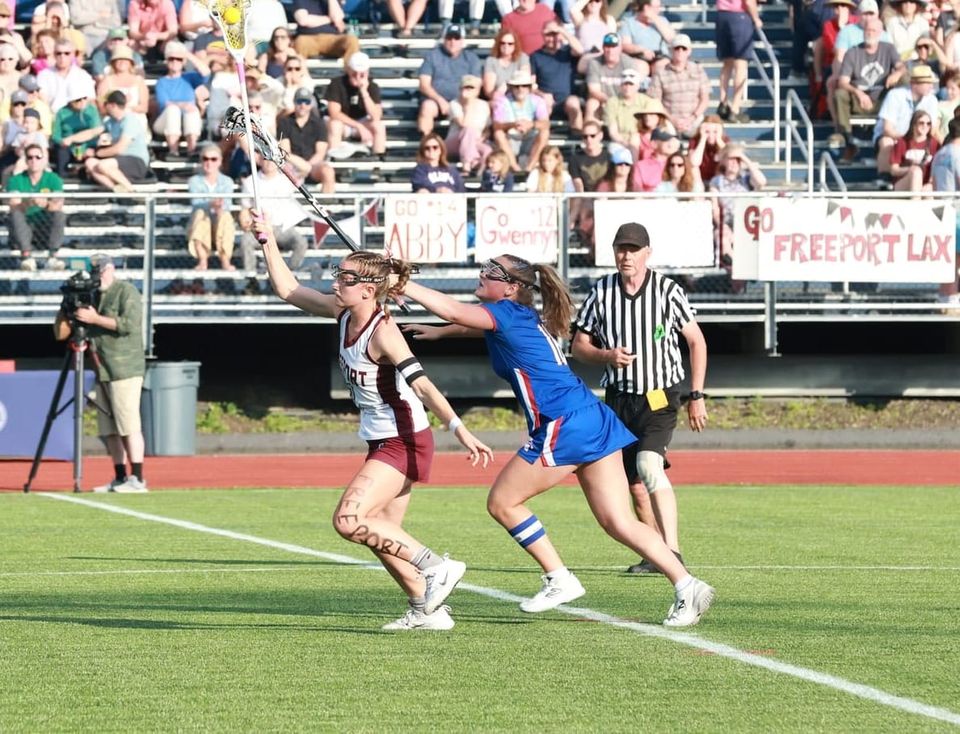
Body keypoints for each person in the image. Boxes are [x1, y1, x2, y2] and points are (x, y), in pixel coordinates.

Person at [399, 254, 715, 626]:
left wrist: (402, 285)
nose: (482, 275)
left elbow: (454, 310)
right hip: (590, 416)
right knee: (618, 521)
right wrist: (439, 331)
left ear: (511, 288)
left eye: (492, 272)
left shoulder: (504, 315)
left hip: (564, 422)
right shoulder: (517, 317)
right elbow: (469, 323)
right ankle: (687, 585)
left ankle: (558, 578)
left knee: (503, 502)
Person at [252, 214, 493, 631]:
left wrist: (461, 430)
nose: (335, 282)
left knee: (348, 521)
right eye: (337, 273)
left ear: (368, 289)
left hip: (404, 440)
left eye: (345, 277)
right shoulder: (342, 313)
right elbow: (288, 289)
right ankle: (425, 609)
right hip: (382, 439)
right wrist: (268, 241)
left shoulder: (384, 333)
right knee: (381, 532)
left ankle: (438, 567)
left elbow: (423, 386)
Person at [572, 221, 707, 574]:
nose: (626, 255)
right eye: (621, 248)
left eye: (633, 249)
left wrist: (697, 395)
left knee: (649, 464)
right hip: (619, 397)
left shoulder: (667, 291)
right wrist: (606, 356)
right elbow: (578, 346)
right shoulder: (602, 292)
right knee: (633, 483)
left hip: (661, 395)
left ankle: (673, 551)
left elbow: (697, 341)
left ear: (648, 252)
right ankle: (654, 552)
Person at [54, 253, 148, 494]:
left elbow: (129, 324)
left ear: (111, 269)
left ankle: (137, 478)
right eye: (95, 273)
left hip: (124, 368)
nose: (99, 277)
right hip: (101, 368)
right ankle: (120, 476)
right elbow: (61, 334)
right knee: (110, 429)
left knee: (128, 424)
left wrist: (95, 318)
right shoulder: (93, 295)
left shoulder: (126, 291)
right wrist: (68, 307)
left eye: (101, 271)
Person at [835, 17, 903, 162]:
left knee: (904, 80)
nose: (870, 33)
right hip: (859, 100)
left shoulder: (888, 48)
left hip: (882, 100)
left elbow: (901, 67)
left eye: (873, 30)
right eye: (867, 30)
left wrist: (897, 74)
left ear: (880, 32)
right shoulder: (853, 52)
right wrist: (858, 93)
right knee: (840, 94)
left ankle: (899, 138)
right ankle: (849, 141)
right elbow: (842, 81)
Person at [238, 156, 309, 274]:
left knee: (301, 243)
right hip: (261, 229)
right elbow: (244, 209)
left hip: (283, 228)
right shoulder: (250, 182)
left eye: (272, 159)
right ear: (260, 161)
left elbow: (306, 169)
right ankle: (250, 279)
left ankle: (287, 274)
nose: (269, 162)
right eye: (266, 158)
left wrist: (284, 154)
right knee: (245, 241)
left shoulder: (287, 179)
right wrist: (246, 223)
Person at [5, 143, 65, 271]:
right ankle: (26, 256)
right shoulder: (15, 180)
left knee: (60, 214)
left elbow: (58, 204)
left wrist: (45, 204)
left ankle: (53, 256)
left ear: (44, 160)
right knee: (15, 214)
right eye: (30, 157)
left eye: (38, 157)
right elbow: (13, 204)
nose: (34, 160)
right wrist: (29, 203)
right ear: (26, 160)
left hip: (44, 228)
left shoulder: (54, 179)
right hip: (23, 229)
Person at [416, 24, 482, 136]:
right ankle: (426, 143)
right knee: (427, 107)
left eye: (456, 38)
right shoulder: (432, 56)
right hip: (437, 102)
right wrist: (440, 100)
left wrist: (459, 103)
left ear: (462, 40)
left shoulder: (471, 58)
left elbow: (477, 85)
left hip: (463, 101)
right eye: (449, 38)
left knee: (472, 108)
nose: (453, 41)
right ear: (444, 39)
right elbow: (424, 85)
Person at [84, 89, 151, 193]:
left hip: (136, 161)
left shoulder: (129, 120)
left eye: (106, 103)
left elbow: (119, 149)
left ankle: (131, 191)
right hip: (118, 161)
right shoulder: (111, 122)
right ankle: (117, 190)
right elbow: (93, 132)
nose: (104, 106)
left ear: (112, 105)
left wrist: (96, 153)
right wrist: (70, 139)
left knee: (103, 165)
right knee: (90, 163)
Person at [324, 51, 387, 159]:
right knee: (335, 125)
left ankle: (378, 160)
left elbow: (376, 116)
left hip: (362, 121)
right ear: (348, 70)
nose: (358, 77)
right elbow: (334, 113)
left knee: (379, 126)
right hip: (343, 123)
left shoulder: (372, 86)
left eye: (361, 74)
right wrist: (358, 126)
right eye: (354, 74)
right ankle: (334, 158)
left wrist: (364, 92)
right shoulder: (337, 83)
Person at [648, 33, 712, 138]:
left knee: (710, 129)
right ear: (671, 51)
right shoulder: (661, 73)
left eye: (684, 49)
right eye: (677, 48)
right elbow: (656, 102)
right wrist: (672, 119)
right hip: (669, 120)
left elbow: (705, 99)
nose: (680, 51)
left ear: (689, 51)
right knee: (661, 132)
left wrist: (691, 118)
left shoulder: (698, 70)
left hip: (694, 119)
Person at [529, 19, 584, 133]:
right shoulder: (535, 56)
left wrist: (561, 31)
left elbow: (580, 50)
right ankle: (543, 138)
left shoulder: (568, 52)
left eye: (555, 34)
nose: (552, 38)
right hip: (546, 99)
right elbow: (530, 84)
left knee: (573, 102)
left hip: (567, 100)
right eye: (548, 35)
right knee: (543, 104)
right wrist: (542, 94)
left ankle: (577, 137)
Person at [187, 143, 236, 270]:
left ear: (220, 161)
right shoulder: (194, 181)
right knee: (201, 215)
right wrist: (211, 204)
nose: (209, 162)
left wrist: (217, 208)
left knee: (225, 217)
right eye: (205, 158)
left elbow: (227, 205)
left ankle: (225, 259)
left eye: (213, 159)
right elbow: (196, 203)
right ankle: (202, 259)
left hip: (218, 219)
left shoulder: (227, 181)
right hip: (202, 220)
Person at [277, 87, 336, 191]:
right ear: (294, 102)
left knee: (328, 171)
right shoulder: (284, 122)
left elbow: (320, 153)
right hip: (291, 165)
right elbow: (285, 152)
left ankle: (327, 204)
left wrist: (307, 167)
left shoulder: (319, 124)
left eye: (307, 102)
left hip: (313, 166)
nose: (303, 105)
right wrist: (302, 166)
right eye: (299, 101)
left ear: (311, 104)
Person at [491, 69, 550, 173]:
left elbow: (545, 123)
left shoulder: (538, 101)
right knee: (498, 134)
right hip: (511, 139)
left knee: (545, 132)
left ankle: (530, 167)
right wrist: (513, 125)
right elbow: (496, 125)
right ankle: (514, 167)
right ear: (511, 88)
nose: (520, 89)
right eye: (516, 86)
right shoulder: (502, 101)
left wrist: (531, 124)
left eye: (524, 86)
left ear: (529, 88)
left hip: (531, 138)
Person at [715, 0, 762, 123]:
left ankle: (723, 102)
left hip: (722, 15)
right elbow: (749, 2)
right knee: (741, 64)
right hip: (739, 16)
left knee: (727, 63)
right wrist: (756, 18)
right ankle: (735, 108)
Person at [444, 74, 492, 175]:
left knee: (488, 150)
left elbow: (487, 129)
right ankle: (467, 165)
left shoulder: (484, 105)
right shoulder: (454, 104)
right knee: (469, 130)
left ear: (477, 90)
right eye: (466, 87)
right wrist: (468, 105)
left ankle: (480, 172)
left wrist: (482, 138)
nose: (468, 90)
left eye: (471, 88)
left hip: (476, 141)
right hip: (455, 141)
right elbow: (463, 124)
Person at [889, 108, 939, 190]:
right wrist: (911, 170)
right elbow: (894, 170)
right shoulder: (902, 142)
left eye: (928, 123)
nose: (925, 126)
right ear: (914, 124)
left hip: (926, 183)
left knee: (928, 189)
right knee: (916, 172)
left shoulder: (934, 143)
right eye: (921, 123)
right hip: (903, 182)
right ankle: (916, 201)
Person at [291, 0, 359, 61]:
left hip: (333, 39)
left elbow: (337, 18)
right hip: (309, 38)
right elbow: (303, 20)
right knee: (300, 42)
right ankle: (300, 72)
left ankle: (352, 72)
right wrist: (329, 19)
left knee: (351, 40)